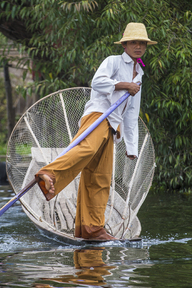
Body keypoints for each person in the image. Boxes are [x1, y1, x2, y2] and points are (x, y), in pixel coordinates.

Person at [35, 22, 157, 241]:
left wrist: (131, 146)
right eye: (134, 42)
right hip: (98, 116)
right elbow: (97, 82)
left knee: (100, 178)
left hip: (113, 126)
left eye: (142, 43)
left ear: (145, 47)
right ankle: (49, 174)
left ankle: (91, 228)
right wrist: (124, 85)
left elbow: (131, 113)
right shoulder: (113, 61)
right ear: (125, 44)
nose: (138, 46)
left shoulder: (139, 74)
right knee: (86, 149)